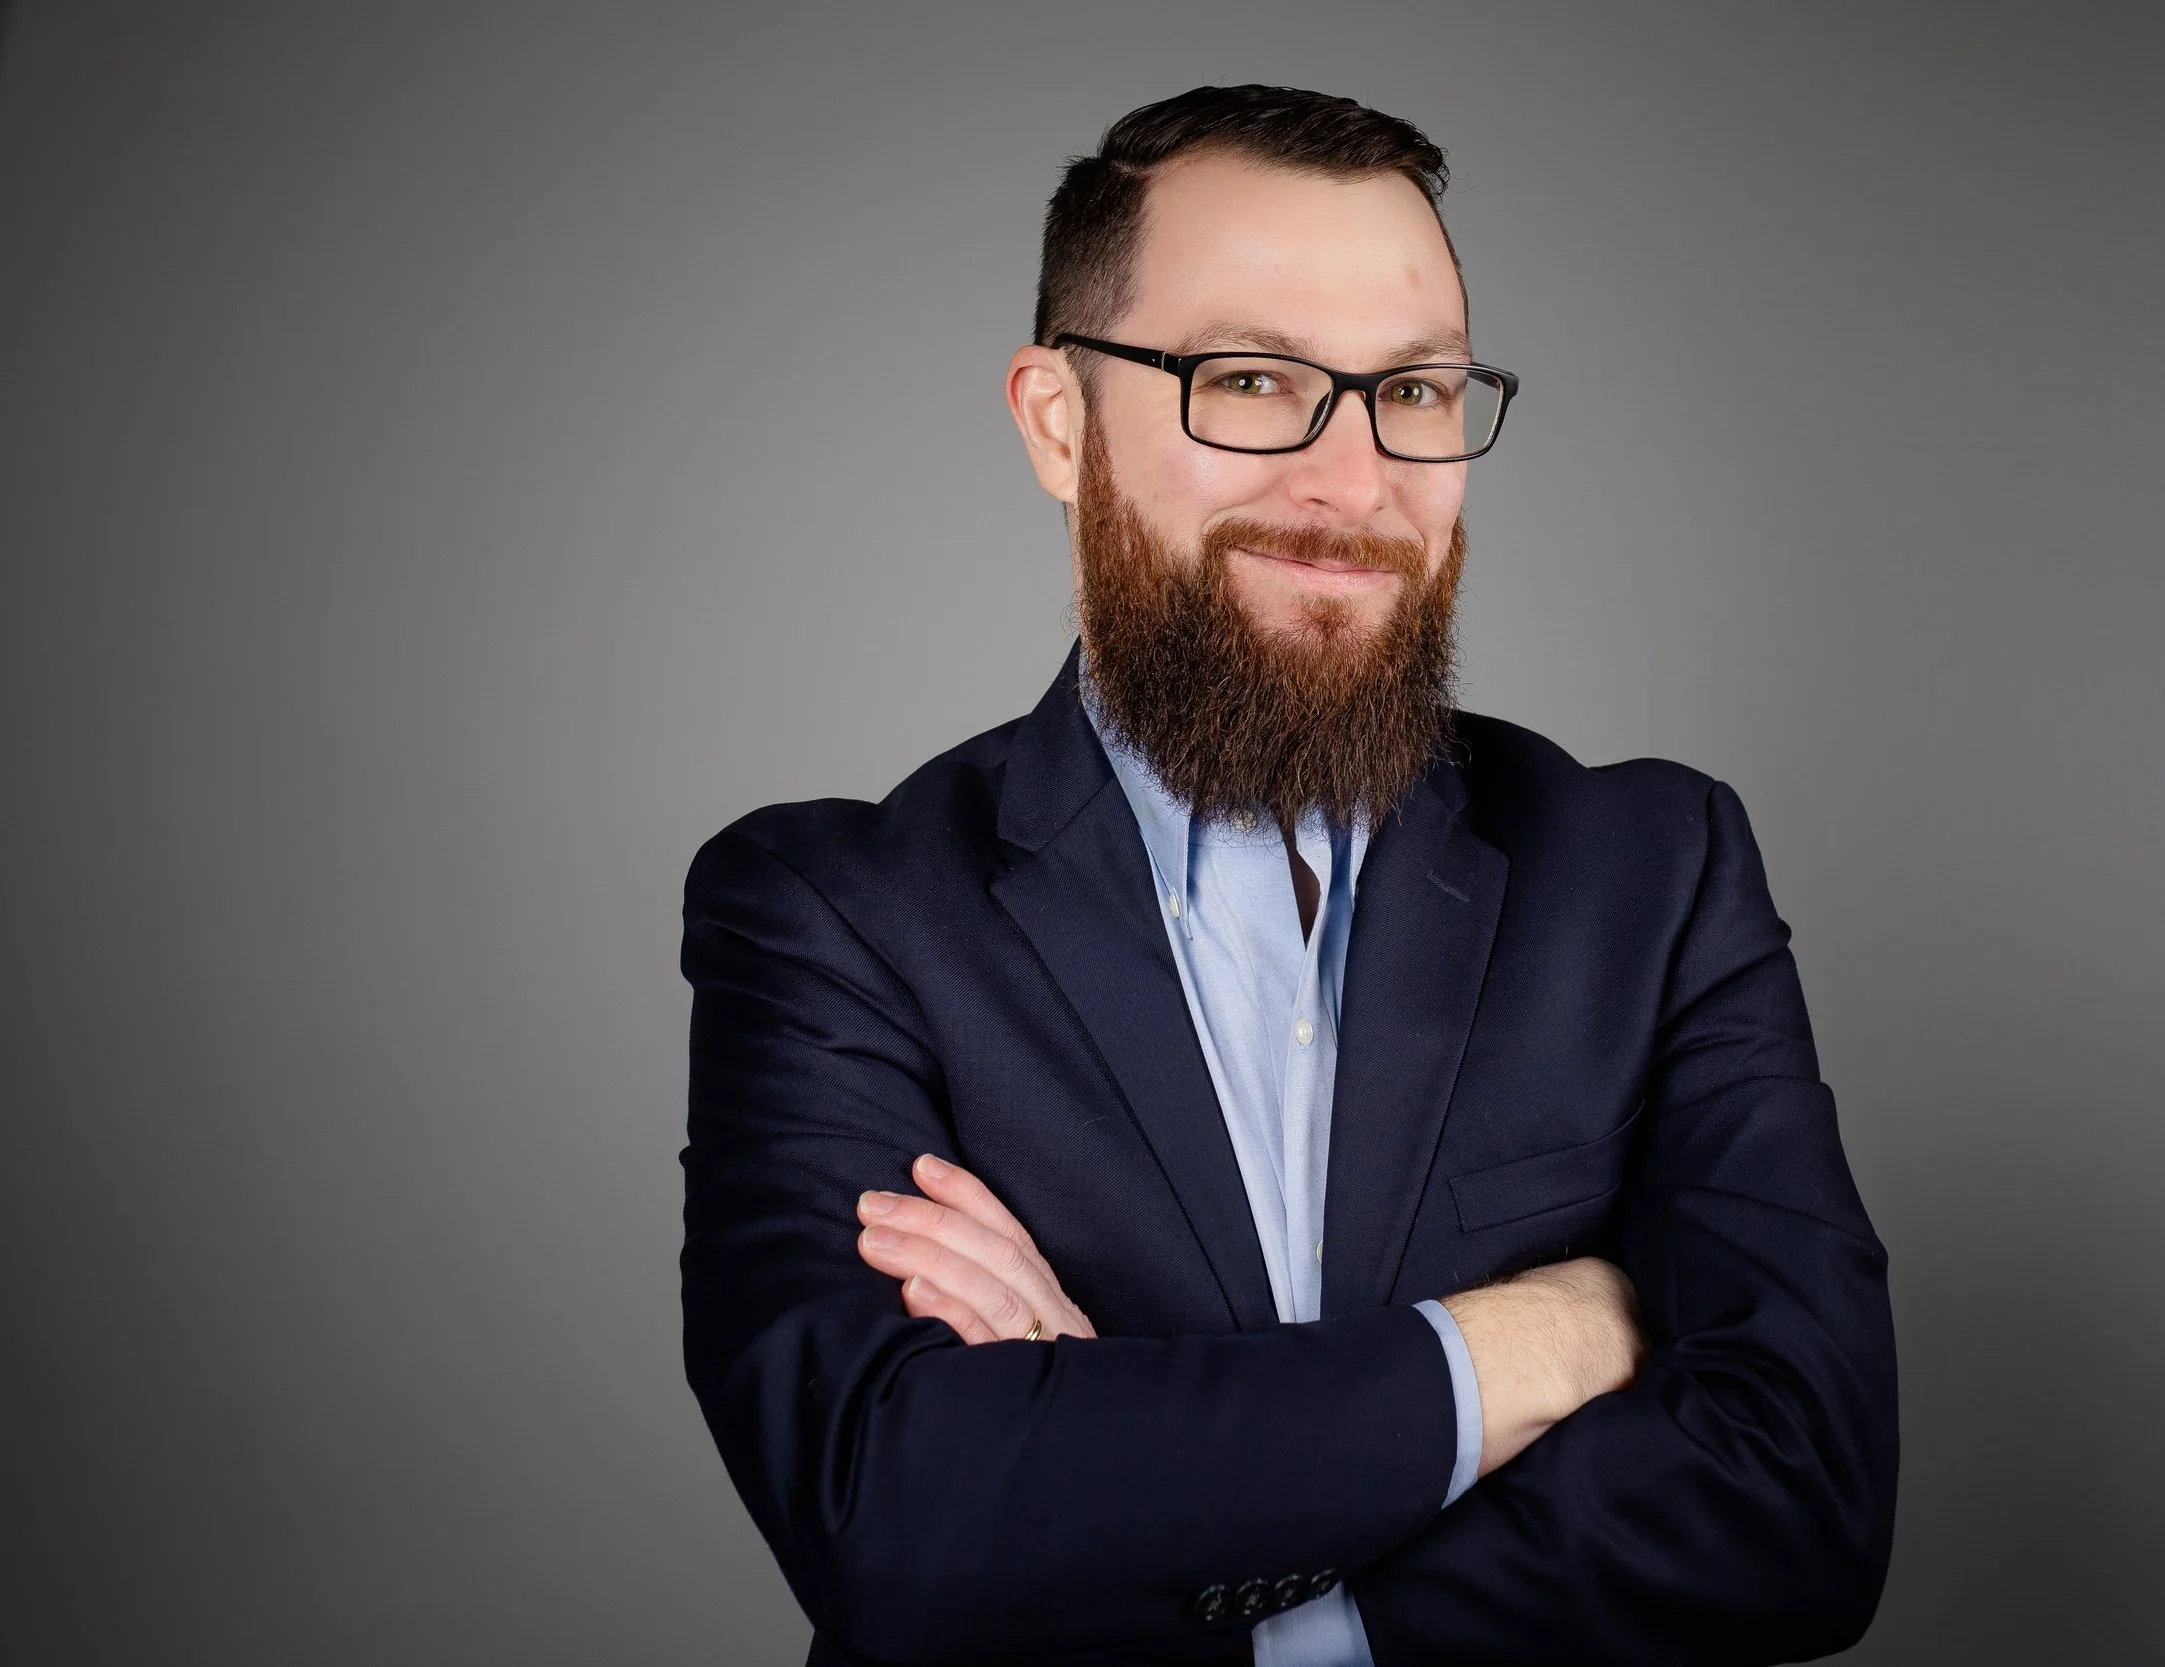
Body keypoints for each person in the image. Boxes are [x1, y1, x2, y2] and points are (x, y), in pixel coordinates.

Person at [680, 85, 1896, 1666]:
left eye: (1415, 391)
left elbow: (1803, 1502)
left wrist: (1163, 1524)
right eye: (1248, 380)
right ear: (1060, 422)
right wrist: (1531, 1341)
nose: (1351, 482)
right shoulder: (834, 912)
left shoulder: (1655, 878)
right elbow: (900, 1516)